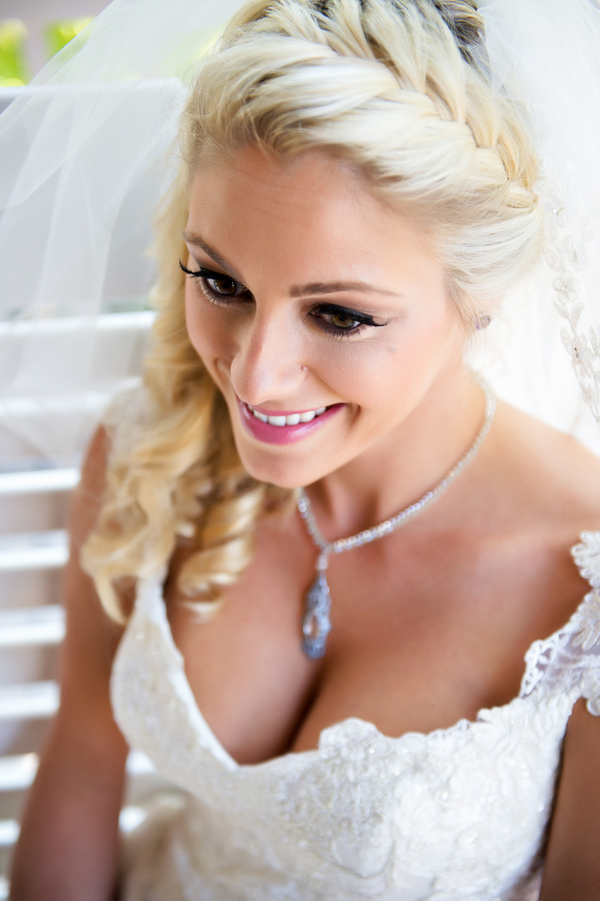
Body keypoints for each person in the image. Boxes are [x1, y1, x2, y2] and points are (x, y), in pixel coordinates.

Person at [7, 0, 600, 898]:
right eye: (221, 280)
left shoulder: (579, 585)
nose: (255, 376)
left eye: (340, 314)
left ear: (482, 296)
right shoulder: (150, 452)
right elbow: (84, 762)